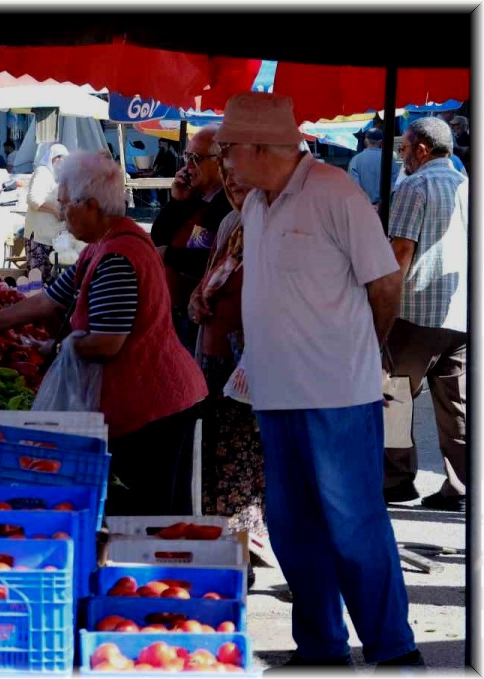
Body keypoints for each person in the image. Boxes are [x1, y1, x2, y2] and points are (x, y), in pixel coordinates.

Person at [216, 92, 420, 669]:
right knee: (292, 527)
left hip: (336, 394)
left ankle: (393, 650)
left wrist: (363, 349)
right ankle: (321, 648)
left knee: (353, 526)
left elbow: (385, 282)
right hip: (275, 394)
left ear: (259, 146)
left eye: (229, 148)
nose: (225, 160)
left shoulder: (334, 190)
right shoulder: (257, 202)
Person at [0, 152, 207, 516]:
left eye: (66, 205)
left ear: (92, 206)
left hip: (152, 405)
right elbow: (47, 302)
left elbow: (107, 343)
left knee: (145, 515)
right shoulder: (105, 244)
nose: (62, 213)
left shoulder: (118, 257)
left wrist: (62, 344)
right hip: (152, 399)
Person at [382, 116, 468, 512]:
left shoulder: (415, 185)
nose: (402, 157)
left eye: (404, 149)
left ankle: (397, 480)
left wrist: (383, 304)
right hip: (462, 312)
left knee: (395, 395)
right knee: (457, 406)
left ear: (421, 150)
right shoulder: (468, 186)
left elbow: (401, 251)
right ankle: (462, 485)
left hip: (416, 310)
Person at [186, 161, 266, 538]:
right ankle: (223, 539)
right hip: (214, 355)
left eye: (242, 177)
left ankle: (241, 543)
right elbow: (205, 281)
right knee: (215, 450)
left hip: (250, 362)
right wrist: (196, 300)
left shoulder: (272, 229)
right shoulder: (230, 225)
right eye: (228, 175)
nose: (233, 183)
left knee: (241, 455)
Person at [150, 125, 232, 350]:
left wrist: (170, 255)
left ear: (220, 160)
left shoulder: (228, 203)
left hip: (201, 314)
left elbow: (212, 260)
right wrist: (176, 200)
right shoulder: (193, 196)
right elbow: (159, 237)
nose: (188, 166)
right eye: (187, 156)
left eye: (196, 158)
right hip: (174, 310)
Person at [23, 143, 69, 282]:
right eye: (64, 160)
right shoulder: (42, 172)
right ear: (55, 159)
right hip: (39, 236)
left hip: (52, 237)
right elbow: (33, 199)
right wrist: (55, 211)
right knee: (38, 280)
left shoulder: (57, 177)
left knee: (50, 281)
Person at [348, 128, 399, 206]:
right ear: (381, 142)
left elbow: (354, 187)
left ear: (366, 141)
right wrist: (379, 204)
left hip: (364, 207)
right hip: (384, 209)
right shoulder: (390, 160)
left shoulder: (355, 160)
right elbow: (395, 184)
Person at [150, 137, 181, 206]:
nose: (160, 143)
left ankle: (169, 203)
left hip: (170, 174)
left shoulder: (172, 153)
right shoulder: (161, 152)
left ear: (166, 142)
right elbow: (157, 163)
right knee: (161, 189)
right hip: (162, 174)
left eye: (161, 142)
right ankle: (161, 202)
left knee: (170, 190)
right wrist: (155, 170)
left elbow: (170, 165)